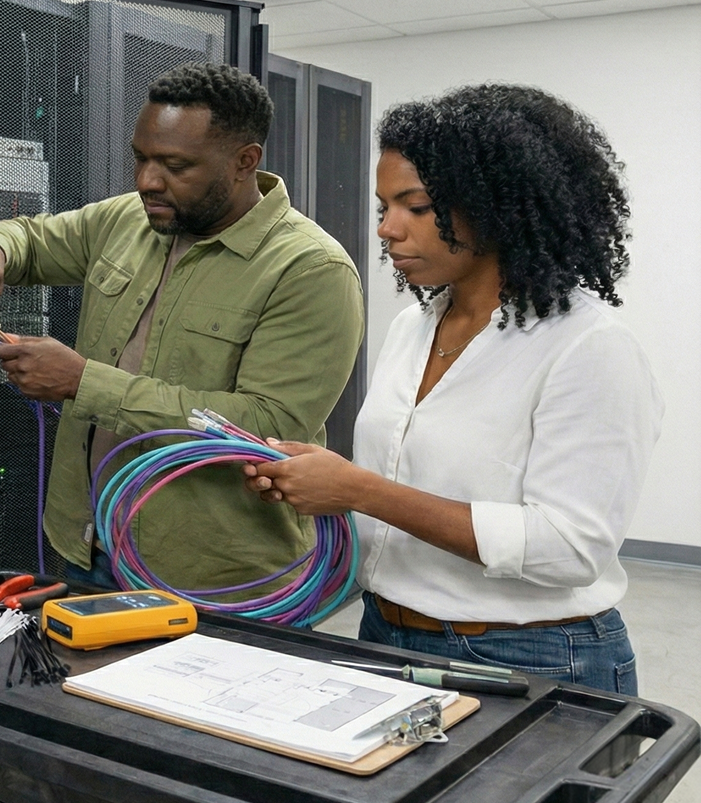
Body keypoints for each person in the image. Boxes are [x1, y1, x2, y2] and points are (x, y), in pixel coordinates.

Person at [0, 62, 364, 803]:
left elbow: (269, 425)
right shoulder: (129, 220)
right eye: (140, 157)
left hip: (217, 575)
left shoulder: (308, 269)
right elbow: (34, 237)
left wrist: (85, 383)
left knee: (216, 794)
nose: (147, 181)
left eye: (174, 165)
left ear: (244, 161)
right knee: (109, 775)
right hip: (92, 550)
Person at [244, 83, 662, 694]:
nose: (387, 229)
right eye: (384, 206)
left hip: (532, 653)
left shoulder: (589, 346)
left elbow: (571, 548)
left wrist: (361, 490)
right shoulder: (413, 328)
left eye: (415, 207)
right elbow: (399, 483)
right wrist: (317, 482)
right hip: (384, 630)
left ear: (494, 207)